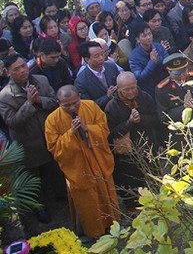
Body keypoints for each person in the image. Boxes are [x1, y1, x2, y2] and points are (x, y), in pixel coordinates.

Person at [45, 85, 118, 239]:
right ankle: (94, 232)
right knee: (87, 202)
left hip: (98, 159)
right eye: (67, 105)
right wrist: (71, 133)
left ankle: (113, 225)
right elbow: (54, 148)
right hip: (78, 167)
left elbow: (104, 129)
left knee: (106, 193)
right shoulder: (52, 120)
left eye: (75, 103)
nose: (72, 107)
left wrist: (88, 129)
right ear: (59, 103)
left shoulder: (91, 106)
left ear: (79, 97)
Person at [0, 53, 60, 224]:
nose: (22, 71)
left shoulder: (41, 80)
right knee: (33, 177)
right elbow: (12, 122)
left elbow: (56, 101)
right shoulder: (4, 96)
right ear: (8, 72)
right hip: (28, 141)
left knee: (54, 168)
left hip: (49, 134)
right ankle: (38, 207)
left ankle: (60, 196)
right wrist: (29, 104)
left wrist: (39, 100)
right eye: (16, 69)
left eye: (23, 66)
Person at [104, 71, 159, 209]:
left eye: (133, 87)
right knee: (131, 180)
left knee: (153, 175)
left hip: (147, 144)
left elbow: (156, 118)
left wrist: (141, 120)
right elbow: (110, 133)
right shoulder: (112, 106)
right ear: (118, 89)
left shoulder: (145, 97)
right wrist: (129, 123)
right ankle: (134, 206)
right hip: (127, 152)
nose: (130, 92)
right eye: (126, 89)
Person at [74, 41, 121, 110]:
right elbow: (87, 106)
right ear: (87, 59)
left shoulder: (111, 66)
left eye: (102, 54)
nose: (101, 58)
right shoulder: (81, 81)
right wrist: (107, 97)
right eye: (97, 56)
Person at [128, 24, 169, 97]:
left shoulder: (158, 47)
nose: (148, 37)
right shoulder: (133, 57)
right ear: (138, 39)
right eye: (144, 36)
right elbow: (140, 77)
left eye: (149, 34)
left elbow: (169, 64)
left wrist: (158, 60)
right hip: (149, 90)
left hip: (165, 84)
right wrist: (152, 62)